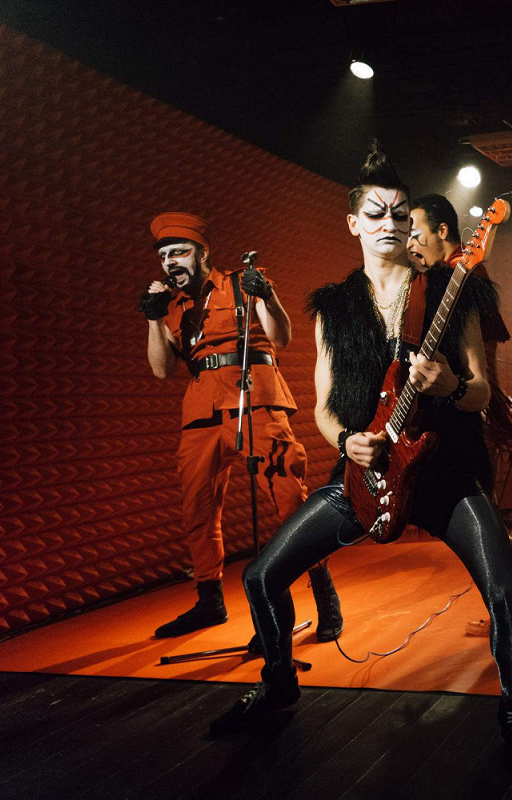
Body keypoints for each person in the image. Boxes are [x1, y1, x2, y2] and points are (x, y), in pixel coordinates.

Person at [207, 145, 512, 779]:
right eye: (376, 213)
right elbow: (322, 407)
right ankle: (279, 682)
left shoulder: (452, 289)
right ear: (354, 223)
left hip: (443, 473)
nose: (390, 223)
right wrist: (347, 443)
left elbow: (481, 391)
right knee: (260, 577)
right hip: (365, 474)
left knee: (505, 591)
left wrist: (450, 384)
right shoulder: (334, 308)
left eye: (399, 213)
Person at [140, 213, 342, 642]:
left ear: (202, 253)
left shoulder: (241, 282)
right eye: (164, 256)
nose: (170, 261)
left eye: (179, 252)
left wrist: (267, 296)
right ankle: (209, 601)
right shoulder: (173, 306)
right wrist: (154, 319)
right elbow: (161, 370)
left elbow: (281, 337)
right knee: (197, 507)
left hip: (254, 398)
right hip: (202, 411)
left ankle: (324, 594)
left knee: (290, 499)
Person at [408, 193, 512, 638]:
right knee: (467, 511)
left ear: (442, 231)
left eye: (416, 233)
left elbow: (474, 357)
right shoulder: (446, 277)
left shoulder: (464, 273)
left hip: (467, 410)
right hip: (457, 407)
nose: (409, 243)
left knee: (470, 511)